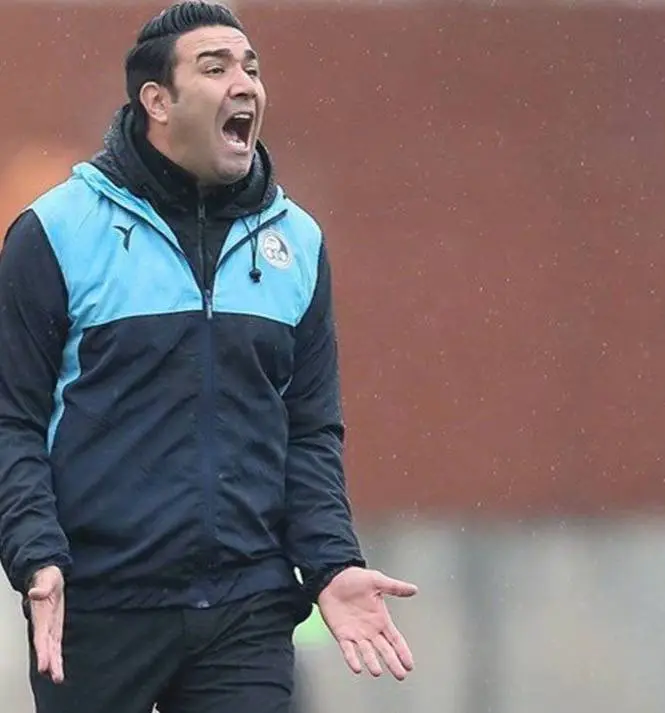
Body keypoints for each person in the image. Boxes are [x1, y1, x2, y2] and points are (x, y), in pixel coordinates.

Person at [0, 3, 417, 712]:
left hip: (247, 608)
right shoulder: (54, 232)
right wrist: (36, 552)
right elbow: (13, 420)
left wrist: (330, 562)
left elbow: (310, 430)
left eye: (251, 68)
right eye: (216, 68)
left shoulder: (298, 243)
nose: (244, 84)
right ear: (157, 101)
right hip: (99, 604)